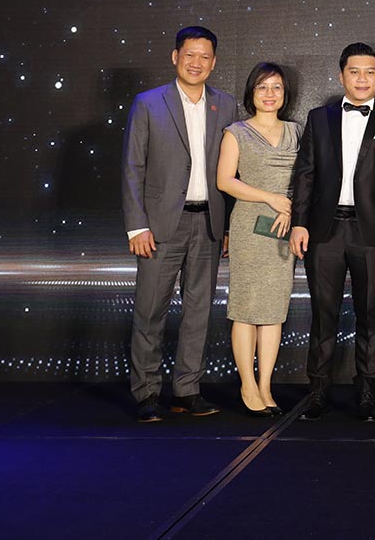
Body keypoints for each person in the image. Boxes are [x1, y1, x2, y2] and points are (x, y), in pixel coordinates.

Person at [121, 26, 239, 422]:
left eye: (205, 56)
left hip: (208, 223)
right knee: (150, 311)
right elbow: (132, 167)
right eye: (190, 54)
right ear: (175, 57)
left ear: (214, 62)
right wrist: (137, 226)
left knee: (198, 312)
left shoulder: (225, 105)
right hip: (158, 226)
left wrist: (227, 227)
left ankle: (187, 391)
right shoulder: (148, 103)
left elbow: (232, 170)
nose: (196, 63)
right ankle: (146, 394)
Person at [289, 43, 375, 421]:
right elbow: (305, 174)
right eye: (354, 72)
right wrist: (299, 222)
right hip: (324, 232)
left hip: (371, 234)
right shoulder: (319, 118)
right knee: (323, 315)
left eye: (369, 72)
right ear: (341, 76)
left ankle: (368, 391)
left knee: (370, 315)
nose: (362, 78)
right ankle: (318, 390)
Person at [216, 62, 301, 417]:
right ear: (251, 93)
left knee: (273, 311)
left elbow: (307, 179)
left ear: (285, 93)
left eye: (276, 87)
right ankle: (247, 384)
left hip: (284, 227)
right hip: (250, 225)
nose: (270, 94)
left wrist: (290, 209)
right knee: (247, 309)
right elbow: (225, 180)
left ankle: (265, 385)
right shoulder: (236, 132)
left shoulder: (297, 131)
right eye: (262, 87)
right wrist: (270, 198)